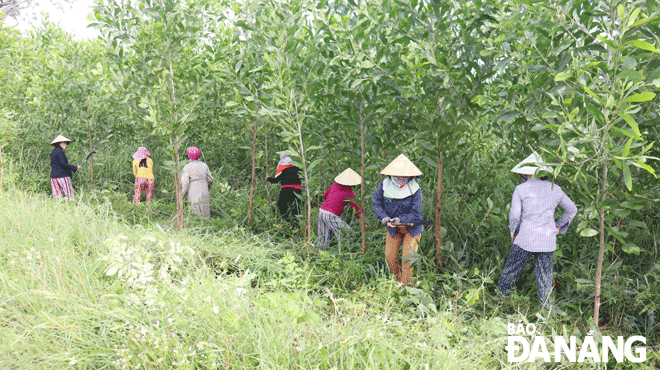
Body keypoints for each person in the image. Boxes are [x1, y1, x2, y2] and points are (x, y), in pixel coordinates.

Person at [496, 151, 578, 307]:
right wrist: (558, 227)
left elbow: (514, 216)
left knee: (511, 271)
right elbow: (572, 209)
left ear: (527, 173)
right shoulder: (556, 189)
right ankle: (546, 314)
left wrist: (513, 233)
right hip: (547, 238)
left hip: (525, 237)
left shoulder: (521, 189)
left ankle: (499, 302)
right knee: (545, 279)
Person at [371, 154, 424, 286]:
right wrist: (384, 218)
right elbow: (376, 203)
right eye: (398, 176)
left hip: (412, 229)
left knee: (408, 259)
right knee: (390, 257)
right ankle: (397, 283)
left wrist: (400, 220)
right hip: (393, 229)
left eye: (404, 177)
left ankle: (407, 287)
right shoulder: (384, 186)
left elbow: (416, 215)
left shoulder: (415, 190)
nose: (401, 179)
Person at [317, 168, 362, 250]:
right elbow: (356, 209)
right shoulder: (349, 193)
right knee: (347, 233)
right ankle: (346, 251)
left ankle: (321, 253)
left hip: (322, 211)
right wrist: (362, 221)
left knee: (323, 235)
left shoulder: (334, 185)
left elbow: (324, 196)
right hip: (331, 214)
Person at [267, 153, 302, 227]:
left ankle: (287, 222)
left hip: (286, 190)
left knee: (282, 206)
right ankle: (297, 226)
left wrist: (268, 178)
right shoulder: (298, 168)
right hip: (297, 190)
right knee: (296, 209)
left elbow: (276, 181)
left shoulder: (283, 169)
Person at [181, 146, 214, 218]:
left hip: (194, 188)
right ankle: (207, 225)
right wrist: (208, 187)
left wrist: (181, 194)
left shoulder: (187, 167)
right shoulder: (204, 165)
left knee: (195, 209)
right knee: (205, 209)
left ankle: (196, 226)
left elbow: (185, 183)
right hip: (204, 187)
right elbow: (210, 179)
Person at [50, 135, 80, 200]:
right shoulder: (60, 151)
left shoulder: (53, 152)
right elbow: (63, 164)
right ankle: (70, 206)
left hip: (53, 177)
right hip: (62, 176)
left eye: (65, 143)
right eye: (63, 143)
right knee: (69, 195)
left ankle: (59, 208)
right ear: (59, 143)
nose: (65, 144)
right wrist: (75, 168)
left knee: (57, 196)